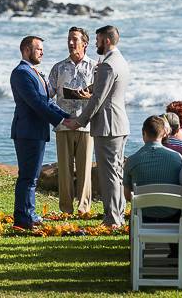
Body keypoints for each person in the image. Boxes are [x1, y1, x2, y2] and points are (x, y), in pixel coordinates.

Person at [66, 25, 130, 227]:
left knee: (109, 174)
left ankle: (112, 219)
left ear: (107, 41)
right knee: (116, 173)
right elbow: (104, 91)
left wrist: (79, 121)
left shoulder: (107, 65)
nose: (95, 44)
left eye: (97, 41)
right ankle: (118, 215)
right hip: (119, 124)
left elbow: (98, 100)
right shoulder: (120, 61)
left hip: (108, 126)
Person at [9, 35, 71, 229]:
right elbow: (35, 102)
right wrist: (60, 120)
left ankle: (29, 213)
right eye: (38, 49)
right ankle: (24, 217)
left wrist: (66, 116)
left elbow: (46, 101)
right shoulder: (21, 73)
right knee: (28, 177)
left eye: (42, 49)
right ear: (26, 50)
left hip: (36, 131)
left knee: (32, 176)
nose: (42, 52)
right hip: (27, 131)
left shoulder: (35, 72)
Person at [47, 26, 96, 215]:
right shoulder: (58, 67)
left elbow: (100, 95)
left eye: (75, 39)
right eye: (69, 39)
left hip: (86, 125)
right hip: (63, 124)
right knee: (64, 171)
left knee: (84, 170)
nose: (70, 43)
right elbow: (48, 94)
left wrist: (88, 97)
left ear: (85, 43)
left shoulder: (94, 67)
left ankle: (84, 208)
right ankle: (65, 209)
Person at [123, 116, 182, 221]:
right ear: (164, 133)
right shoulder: (177, 158)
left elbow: (128, 196)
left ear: (143, 133)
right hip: (172, 216)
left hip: (143, 216)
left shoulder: (132, 160)